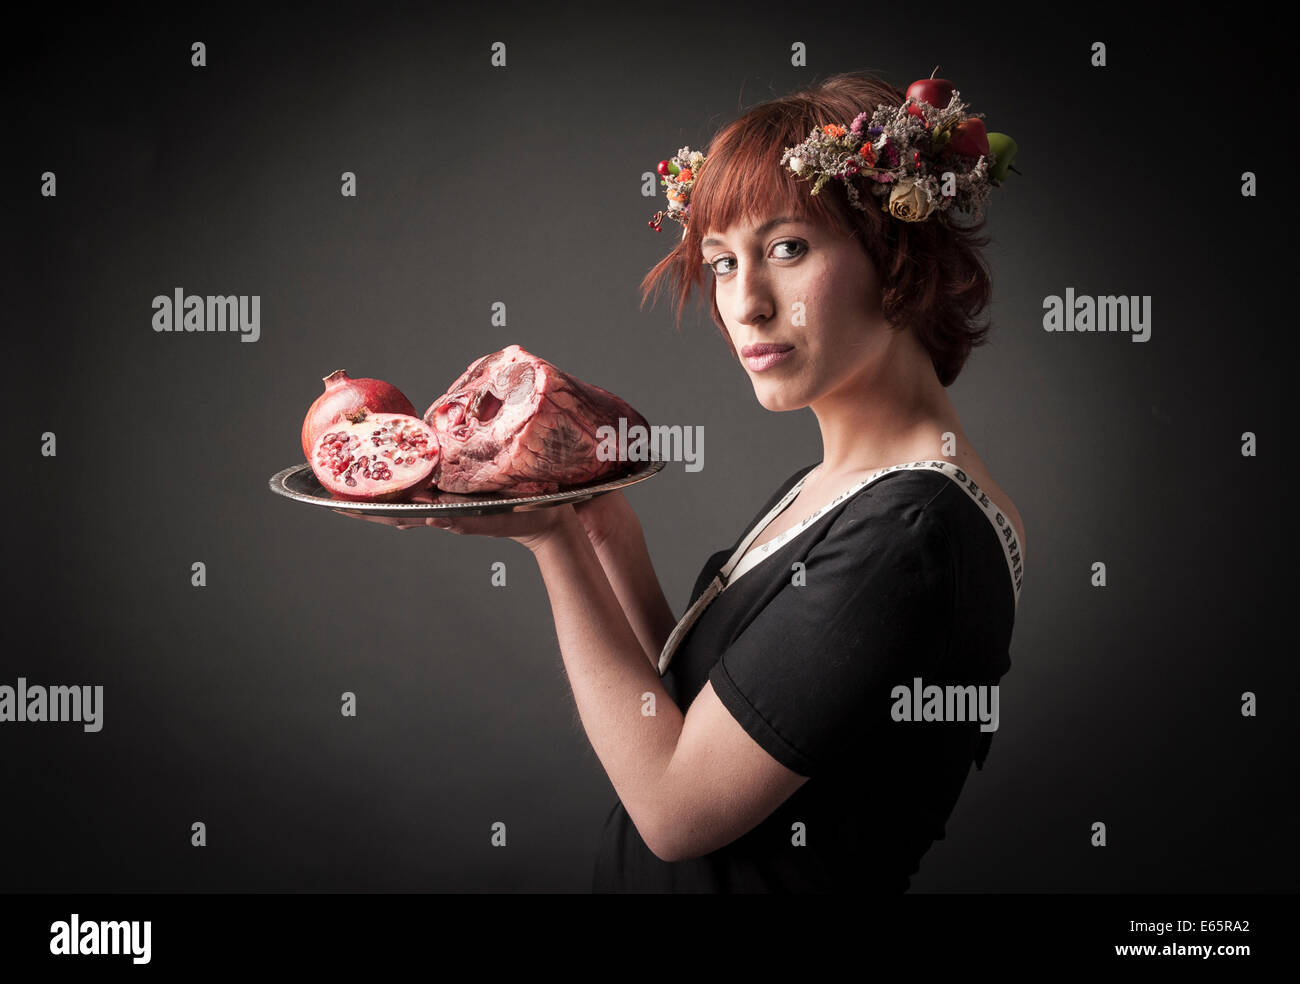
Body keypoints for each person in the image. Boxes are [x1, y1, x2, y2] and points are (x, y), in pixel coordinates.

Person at [343, 70, 1026, 892]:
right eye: (722, 262)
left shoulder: (909, 533)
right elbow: (692, 710)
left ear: (895, 252)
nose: (746, 304)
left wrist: (547, 539)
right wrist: (600, 523)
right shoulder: (842, 484)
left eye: (787, 248)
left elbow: (673, 809)